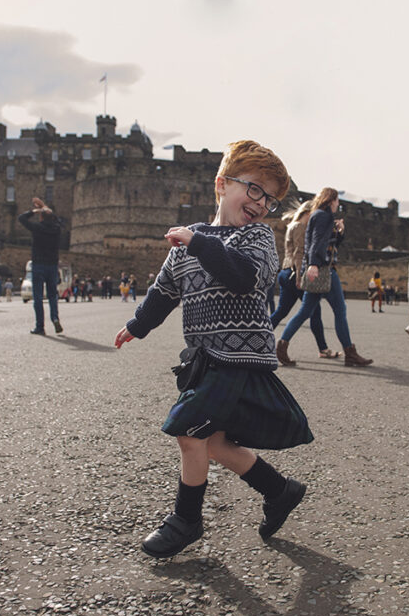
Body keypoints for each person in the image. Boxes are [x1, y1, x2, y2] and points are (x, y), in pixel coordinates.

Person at [114, 139, 312, 558]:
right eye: (255, 189)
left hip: (239, 359)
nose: (261, 204)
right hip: (206, 359)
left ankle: (186, 520)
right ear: (222, 184)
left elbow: (244, 277)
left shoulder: (257, 238)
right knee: (216, 444)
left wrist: (198, 243)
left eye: (272, 199)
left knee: (188, 433)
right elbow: (163, 293)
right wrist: (137, 326)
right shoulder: (190, 242)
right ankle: (280, 491)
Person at [276, 187, 373, 367]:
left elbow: (327, 243)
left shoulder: (318, 215)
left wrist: (340, 232)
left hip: (319, 268)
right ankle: (350, 353)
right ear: (331, 200)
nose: (338, 205)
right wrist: (313, 264)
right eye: (337, 201)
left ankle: (282, 346)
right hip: (324, 269)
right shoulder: (323, 216)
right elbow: (316, 243)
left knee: (305, 311)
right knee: (340, 310)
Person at [270, 201, 340, 362]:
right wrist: (301, 277)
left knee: (281, 311)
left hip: (285, 271)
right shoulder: (301, 227)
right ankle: (322, 349)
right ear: (307, 213)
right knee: (314, 312)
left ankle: (256, 340)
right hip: (295, 273)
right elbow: (299, 253)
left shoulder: (291, 226)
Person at [18, 197, 64, 335]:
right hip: (52, 265)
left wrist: (35, 210)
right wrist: (45, 207)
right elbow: (59, 221)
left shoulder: (37, 228)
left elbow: (21, 218)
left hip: (38, 265)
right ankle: (55, 318)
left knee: (37, 297)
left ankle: (40, 326)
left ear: (41, 218)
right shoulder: (56, 229)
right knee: (52, 296)